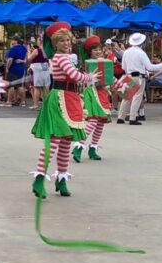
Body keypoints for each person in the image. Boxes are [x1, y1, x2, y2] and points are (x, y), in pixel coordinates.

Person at [30, 22, 98, 198]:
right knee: (54, 141)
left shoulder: (66, 57)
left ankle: (61, 179)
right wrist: (89, 77)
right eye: (62, 41)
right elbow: (73, 75)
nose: (66, 43)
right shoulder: (61, 58)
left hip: (71, 98)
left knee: (66, 142)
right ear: (55, 44)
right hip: (60, 98)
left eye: (68, 40)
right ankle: (39, 178)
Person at [73, 36, 112, 162]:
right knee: (93, 122)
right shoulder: (87, 64)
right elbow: (82, 79)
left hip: (103, 93)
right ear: (90, 51)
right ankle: (78, 146)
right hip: (91, 93)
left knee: (101, 123)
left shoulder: (105, 62)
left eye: (99, 49)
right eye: (95, 50)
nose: (98, 52)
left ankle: (93, 149)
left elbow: (109, 77)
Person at [117, 32, 162, 125]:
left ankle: (121, 117)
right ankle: (132, 117)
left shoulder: (127, 52)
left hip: (128, 75)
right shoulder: (141, 53)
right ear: (141, 42)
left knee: (127, 97)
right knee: (137, 97)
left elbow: (123, 67)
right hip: (139, 76)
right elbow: (150, 67)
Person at [27, 37, 50, 109]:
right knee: (46, 87)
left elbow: (29, 59)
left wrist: (28, 52)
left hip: (38, 69)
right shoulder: (47, 50)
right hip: (45, 68)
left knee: (37, 87)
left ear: (40, 41)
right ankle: (46, 105)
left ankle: (36, 104)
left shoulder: (37, 50)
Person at [4, 36, 27, 107]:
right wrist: (22, 61)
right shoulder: (24, 48)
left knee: (11, 85)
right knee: (20, 85)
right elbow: (27, 59)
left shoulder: (13, 49)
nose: (11, 41)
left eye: (12, 40)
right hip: (21, 69)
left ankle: (9, 101)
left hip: (13, 68)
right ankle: (23, 102)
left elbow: (10, 59)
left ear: (16, 41)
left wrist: (7, 68)